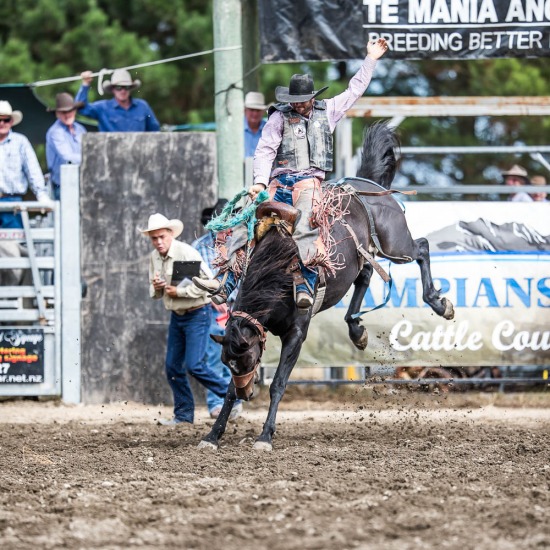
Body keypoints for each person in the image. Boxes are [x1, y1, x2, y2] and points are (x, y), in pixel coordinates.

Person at [194, 38, 389, 309]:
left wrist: (370, 59)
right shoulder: (277, 118)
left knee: (308, 220)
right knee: (245, 218)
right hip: (278, 180)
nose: (297, 105)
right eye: (294, 101)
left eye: (302, 101)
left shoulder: (329, 110)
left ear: (312, 98)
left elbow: (355, 90)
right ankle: (226, 280)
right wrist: (259, 182)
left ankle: (305, 283)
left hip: (309, 182)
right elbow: (264, 150)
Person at [141, 213, 230, 426]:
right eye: (154, 238)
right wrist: (158, 287)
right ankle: (183, 415)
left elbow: (205, 285)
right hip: (178, 316)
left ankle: (231, 394)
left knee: (195, 365)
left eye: (162, 237)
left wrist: (177, 293)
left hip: (197, 314)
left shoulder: (184, 253)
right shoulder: (154, 258)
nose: (159, 242)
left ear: (170, 234)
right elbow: (156, 294)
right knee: (173, 367)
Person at [192, 199, 242, 420]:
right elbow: (193, 279)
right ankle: (217, 402)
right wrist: (211, 297)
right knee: (212, 357)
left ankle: (231, 400)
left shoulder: (239, 246)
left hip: (235, 307)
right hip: (212, 307)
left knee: (236, 356)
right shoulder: (199, 247)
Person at [0, 101, 52, 228]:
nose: (2, 123)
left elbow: (32, 169)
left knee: (13, 244)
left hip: (12, 202)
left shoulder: (20, 142)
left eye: (6, 120)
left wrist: (41, 195)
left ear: (11, 121)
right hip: (12, 203)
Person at [76, 69, 160, 132]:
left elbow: (154, 129)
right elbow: (81, 109)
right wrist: (85, 84)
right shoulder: (102, 108)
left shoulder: (143, 106)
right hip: (110, 154)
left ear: (130, 88)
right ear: (112, 89)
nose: (123, 91)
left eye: (126, 87)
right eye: (119, 87)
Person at [45, 93, 87, 200]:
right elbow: (67, 157)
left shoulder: (80, 129)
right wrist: (90, 159)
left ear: (75, 111)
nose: (67, 115)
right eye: (64, 112)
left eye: (70, 111)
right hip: (63, 185)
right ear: (57, 114)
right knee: (67, 215)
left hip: (82, 182)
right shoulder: (55, 132)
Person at [244, 91, 267, 158]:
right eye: (252, 110)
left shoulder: (270, 129)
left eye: (258, 110)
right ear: (245, 110)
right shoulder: (236, 129)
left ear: (263, 112)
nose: (255, 114)